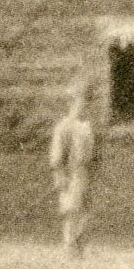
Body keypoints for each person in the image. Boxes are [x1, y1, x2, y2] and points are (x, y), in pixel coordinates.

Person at [47, 77, 99, 255]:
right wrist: (59, 175)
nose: (84, 107)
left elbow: (95, 151)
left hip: (86, 172)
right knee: (71, 209)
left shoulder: (88, 126)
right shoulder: (64, 127)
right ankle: (69, 244)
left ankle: (79, 244)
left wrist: (96, 167)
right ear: (72, 103)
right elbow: (57, 155)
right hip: (71, 172)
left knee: (85, 209)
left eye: (87, 103)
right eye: (80, 102)